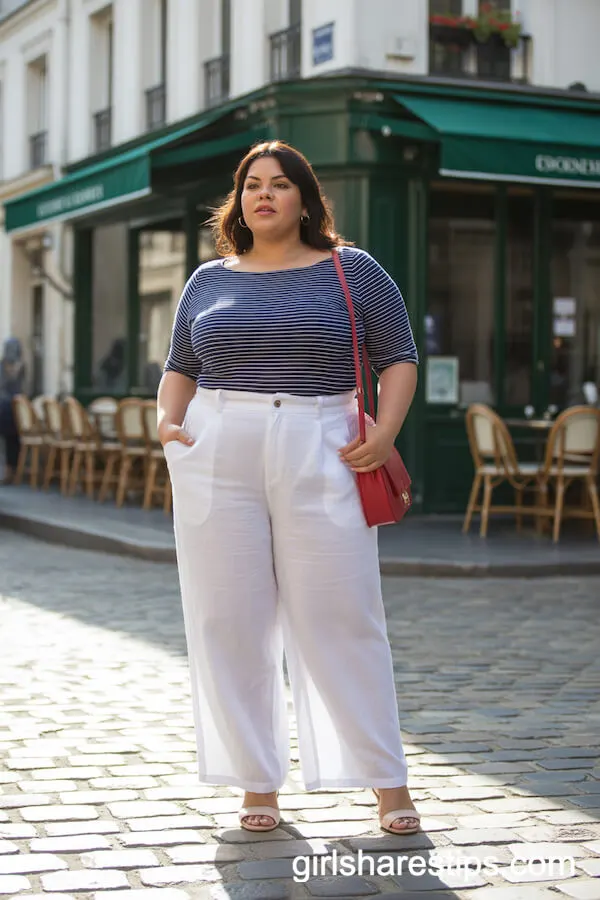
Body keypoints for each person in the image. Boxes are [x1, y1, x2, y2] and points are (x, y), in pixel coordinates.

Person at [157, 141, 420, 835]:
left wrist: (387, 430)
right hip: (219, 445)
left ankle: (386, 780)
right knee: (227, 619)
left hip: (323, 441)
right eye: (251, 185)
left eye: (279, 184)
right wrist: (167, 423)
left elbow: (399, 356)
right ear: (238, 201)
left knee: (342, 614)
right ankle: (255, 780)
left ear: (306, 198)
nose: (263, 195)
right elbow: (180, 365)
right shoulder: (208, 279)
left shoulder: (352, 269)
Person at [0, 338, 26, 485]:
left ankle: (12, 470)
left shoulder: (20, 367)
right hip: (6, 409)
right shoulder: (3, 367)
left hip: (14, 410)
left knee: (13, 439)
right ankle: (10, 470)